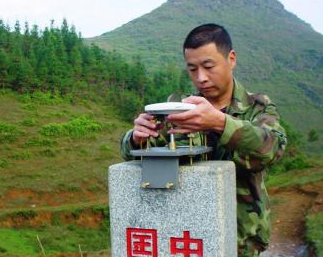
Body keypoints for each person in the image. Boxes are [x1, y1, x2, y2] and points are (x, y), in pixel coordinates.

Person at [120, 23, 287, 257]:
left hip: (240, 239)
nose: (201, 78)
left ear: (231, 58)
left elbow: (272, 149)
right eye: (192, 69)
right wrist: (137, 139)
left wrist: (218, 122)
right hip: (188, 235)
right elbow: (136, 152)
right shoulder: (180, 109)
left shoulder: (257, 107)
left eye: (209, 66)